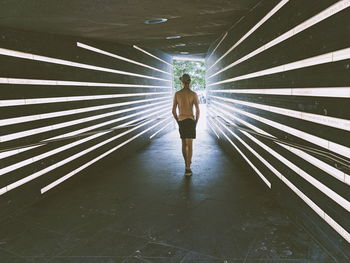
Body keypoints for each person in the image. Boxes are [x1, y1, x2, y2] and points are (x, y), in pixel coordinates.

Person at [172, 73, 200, 176]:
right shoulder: (193, 94)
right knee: (190, 145)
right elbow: (198, 111)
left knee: (184, 144)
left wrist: (178, 121)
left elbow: (173, 111)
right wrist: (195, 122)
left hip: (182, 120)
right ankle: (188, 167)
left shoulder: (177, 94)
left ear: (182, 82)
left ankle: (186, 165)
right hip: (190, 120)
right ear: (190, 82)